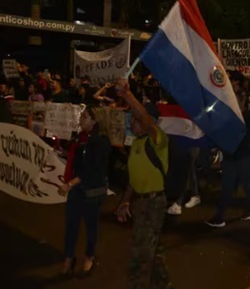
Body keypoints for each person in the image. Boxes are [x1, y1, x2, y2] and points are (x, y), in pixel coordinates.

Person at [113, 78, 173, 289]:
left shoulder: (158, 139)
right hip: (141, 203)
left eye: (135, 120)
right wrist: (125, 202)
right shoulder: (137, 144)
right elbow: (133, 178)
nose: (132, 123)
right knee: (153, 250)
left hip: (154, 203)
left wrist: (128, 95)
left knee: (141, 254)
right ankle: (164, 284)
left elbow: (145, 120)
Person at [205, 71, 250, 227]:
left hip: (245, 150)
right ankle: (220, 216)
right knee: (229, 184)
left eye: (230, 80)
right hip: (231, 150)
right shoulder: (227, 104)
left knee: (246, 183)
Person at [60, 106, 112, 277]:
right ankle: (69, 257)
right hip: (77, 189)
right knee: (71, 225)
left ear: (95, 120)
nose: (81, 119)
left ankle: (89, 255)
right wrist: (63, 152)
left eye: (84, 116)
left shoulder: (101, 141)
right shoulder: (82, 137)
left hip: (90, 190)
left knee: (91, 227)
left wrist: (71, 183)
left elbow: (92, 168)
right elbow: (80, 162)